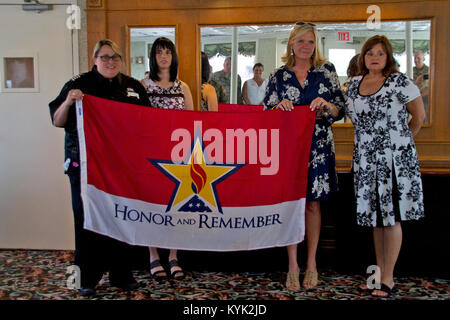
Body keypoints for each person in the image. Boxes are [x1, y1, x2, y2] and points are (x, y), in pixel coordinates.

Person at [49, 39, 150, 297]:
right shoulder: (78, 84)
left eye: (115, 57)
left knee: (122, 217)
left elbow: (148, 123)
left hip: (122, 168)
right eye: (105, 57)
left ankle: (121, 274)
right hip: (84, 168)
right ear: (95, 59)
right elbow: (57, 120)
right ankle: (87, 279)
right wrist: (70, 102)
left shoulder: (133, 87)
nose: (110, 61)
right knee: (86, 221)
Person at [263, 21, 345, 291]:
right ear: (291, 44)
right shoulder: (278, 75)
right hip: (289, 149)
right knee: (291, 205)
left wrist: (327, 105)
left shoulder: (327, 71)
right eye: (300, 41)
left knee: (312, 205)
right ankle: (292, 264)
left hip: (319, 148)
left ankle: (311, 263)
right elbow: (265, 112)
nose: (306, 46)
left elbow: (340, 110)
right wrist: (279, 106)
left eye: (310, 41)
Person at [344, 35, 425, 298]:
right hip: (365, 159)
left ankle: (388, 277)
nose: (374, 57)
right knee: (376, 220)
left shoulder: (400, 82)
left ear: (388, 56)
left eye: (380, 53)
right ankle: (378, 273)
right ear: (363, 57)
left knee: (390, 218)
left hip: (394, 160)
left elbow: (418, 117)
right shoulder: (354, 84)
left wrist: (400, 142)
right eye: (369, 53)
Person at [144, 37, 193, 281]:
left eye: (168, 52)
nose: (163, 57)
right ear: (153, 57)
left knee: (176, 205)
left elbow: (193, 121)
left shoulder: (183, 87)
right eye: (159, 52)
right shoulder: (143, 85)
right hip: (152, 154)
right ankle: (153, 255)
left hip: (178, 155)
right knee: (152, 204)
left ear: (173, 57)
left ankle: (173, 255)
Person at [413, 51, 429, 122]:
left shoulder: (430, 71)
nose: (416, 60)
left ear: (423, 59)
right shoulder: (410, 70)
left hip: (426, 99)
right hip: (414, 99)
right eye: (415, 58)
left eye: (418, 58)